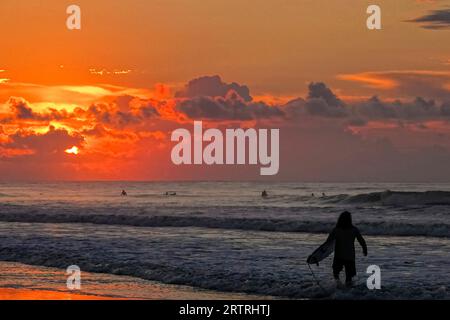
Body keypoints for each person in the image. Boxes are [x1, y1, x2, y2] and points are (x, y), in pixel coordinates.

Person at [326, 211, 367, 287]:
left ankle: (338, 286)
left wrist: (319, 254)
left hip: (339, 256)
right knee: (349, 277)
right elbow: (361, 240)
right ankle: (347, 292)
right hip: (350, 256)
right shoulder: (354, 230)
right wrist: (365, 249)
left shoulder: (336, 230)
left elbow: (328, 242)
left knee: (336, 273)